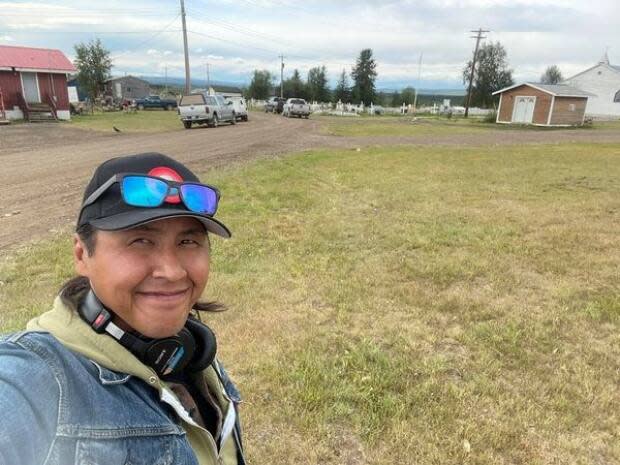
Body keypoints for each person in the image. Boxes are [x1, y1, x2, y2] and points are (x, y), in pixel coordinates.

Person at [0, 152, 245, 465]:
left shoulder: (190, 353)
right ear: (81, 254)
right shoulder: (36, 379)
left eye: (188, 242)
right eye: (141, 241)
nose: (172, 272)